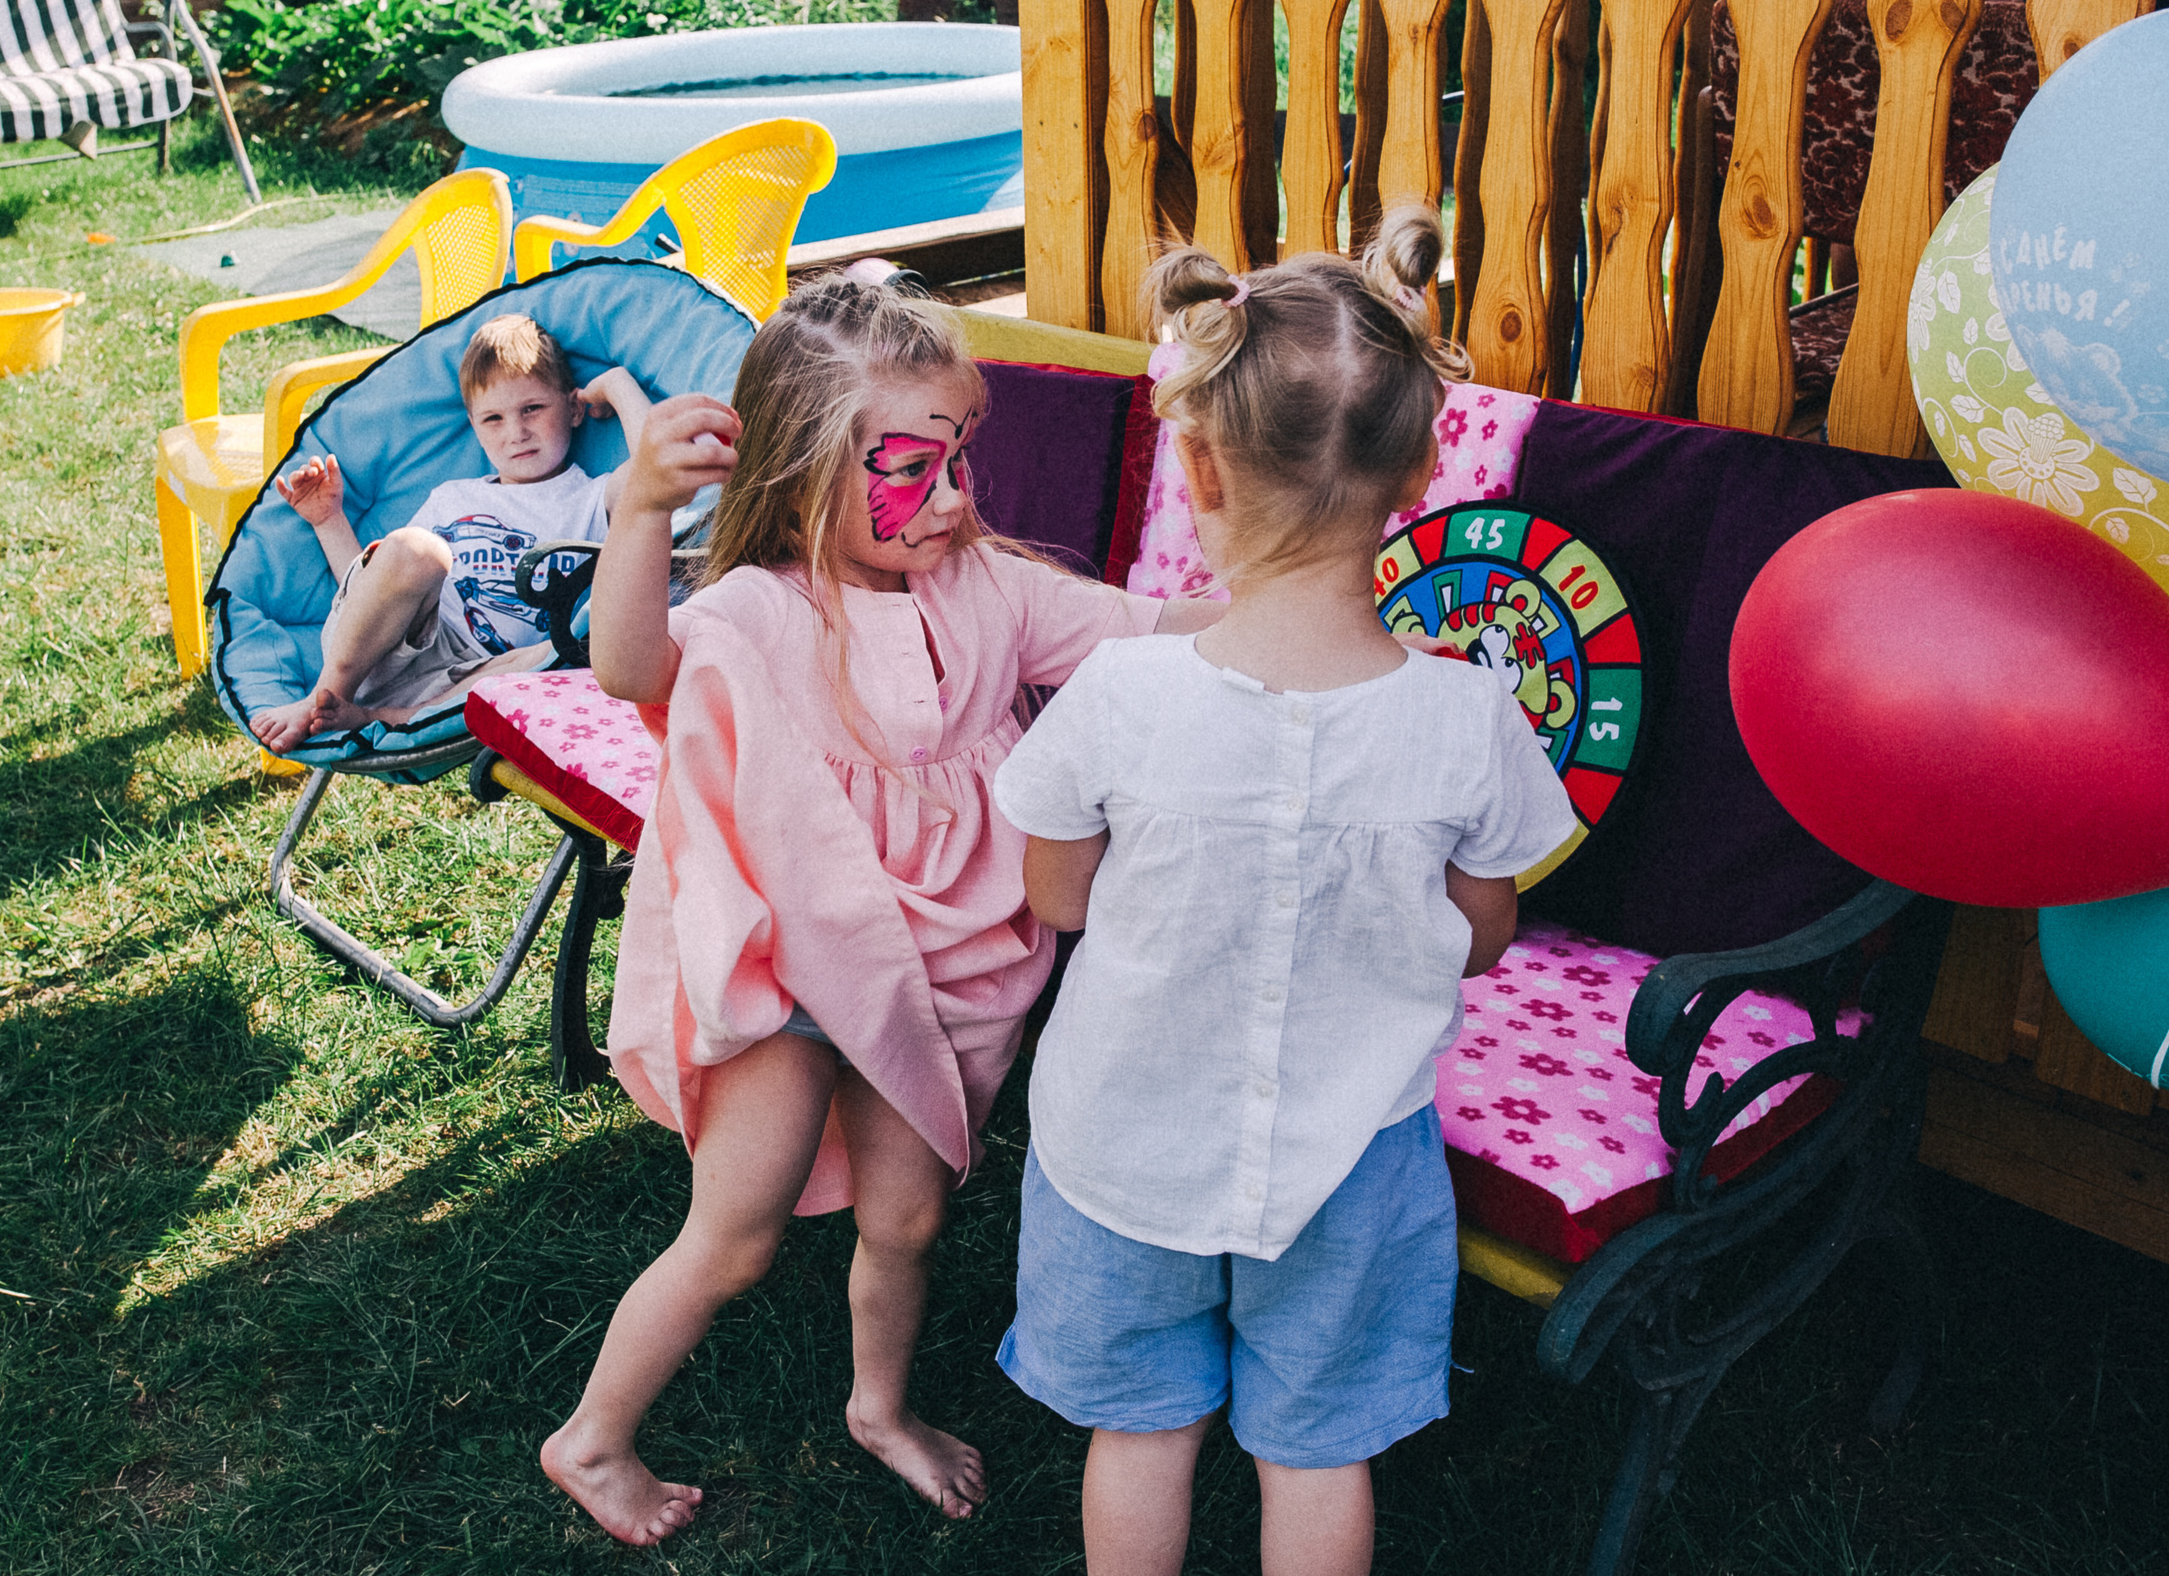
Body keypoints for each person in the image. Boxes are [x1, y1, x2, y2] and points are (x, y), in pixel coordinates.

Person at [541, 275, 1224, 1547]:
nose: (958, 497)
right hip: (795, 960)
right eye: (915, 467)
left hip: (940, 967)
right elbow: (632, 669)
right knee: (736, 1234)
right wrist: (640, 508)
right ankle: (591, 1438)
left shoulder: (995, 589)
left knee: (908, 1217)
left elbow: (1153, 631)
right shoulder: (757, 609)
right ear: (804, 468)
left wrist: (1295, 608)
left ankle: (879, 1408)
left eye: (962, 456)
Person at [991, 205, 1581, 1576]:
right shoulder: (1470, 713)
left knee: (1141, 1432)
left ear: (1193, 465)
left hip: (1119, 1143)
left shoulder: (1120, 693)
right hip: (1353, 1161)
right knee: (1318, 1451)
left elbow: (1058, 899)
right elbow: (1482, 938)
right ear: (1426, 467)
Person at [250, 314, 651, 751]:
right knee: (416, 549)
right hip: (391, 648)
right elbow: (382, 586)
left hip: (472, 679)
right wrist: (329, 520)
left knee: (561, 652)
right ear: (474, 426)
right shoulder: (453, 497)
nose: (516, 433)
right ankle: (323, 698)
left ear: (573, 408)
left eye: (532, 409)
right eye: (493, 419)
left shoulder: (592, 499)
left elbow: (663, 469)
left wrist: (615, 385)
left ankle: (373, 719)